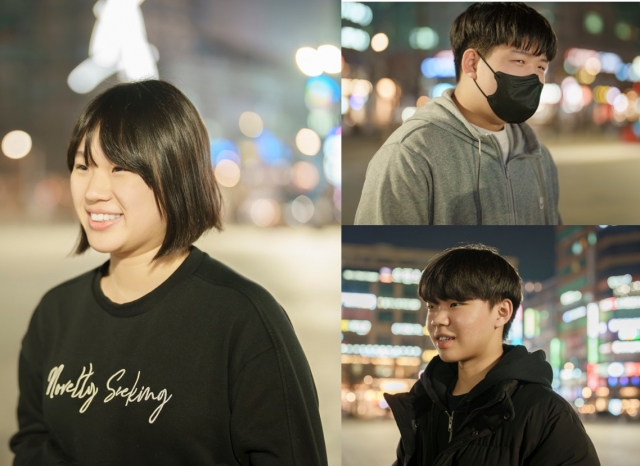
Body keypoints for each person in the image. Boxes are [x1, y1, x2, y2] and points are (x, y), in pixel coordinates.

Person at [10, 80, 328, 466]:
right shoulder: (55, 314)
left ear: (177, 174)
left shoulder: (244, 321)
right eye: (83, 165)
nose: (94, 190)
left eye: (121, 168)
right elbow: (32, 445)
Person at [384, 244, 600, 465]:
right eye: (432, 306)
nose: (437, 319)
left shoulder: (545, 413)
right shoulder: (423, 403)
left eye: (455, 304)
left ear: (502, 312)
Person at [354, 2, 561, 225]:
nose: (534, 77)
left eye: (541, 67)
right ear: (472, 63)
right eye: (519, 61)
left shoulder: (538, 155)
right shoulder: (410, 155)